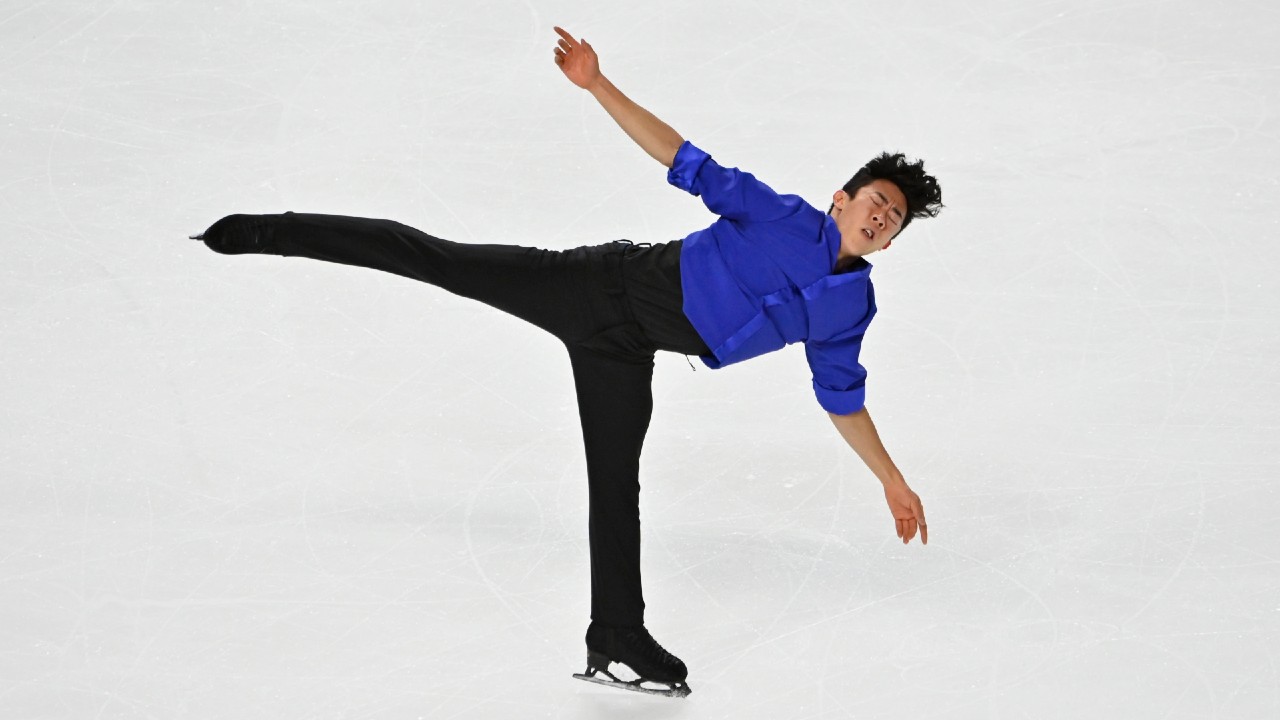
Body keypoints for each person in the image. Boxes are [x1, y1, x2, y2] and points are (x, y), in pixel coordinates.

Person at [189, 25, 941, 699]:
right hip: (595, 286)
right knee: (442, 261)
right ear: (841, 198)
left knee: (616, 489)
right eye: (875, 200)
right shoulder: (779, 212)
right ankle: (273, 231)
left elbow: (840, 396)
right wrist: (596, 83)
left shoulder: (850, 310)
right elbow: (684, 157)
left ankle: (616, 637)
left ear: (890, 241)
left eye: (893, 220)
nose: (880, 217)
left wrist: (893, 480)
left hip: (627, 352)